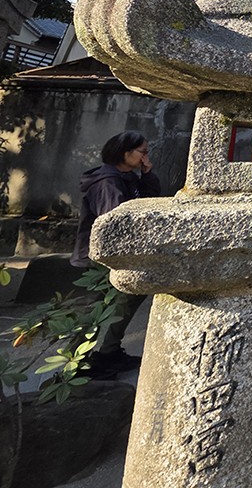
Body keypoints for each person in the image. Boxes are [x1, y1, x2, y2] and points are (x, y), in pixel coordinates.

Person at [72, 130, 161, 378]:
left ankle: (109, 352)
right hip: (101, 260)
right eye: (142, 152)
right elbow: (116, 224)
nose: (146, 157)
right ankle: (76, 365)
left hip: (120, 257)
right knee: (98, 310)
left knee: (126, 302)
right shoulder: (107, 183)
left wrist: (147, 175)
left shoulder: (127, 178)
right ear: (125, 153)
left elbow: (148, 203)